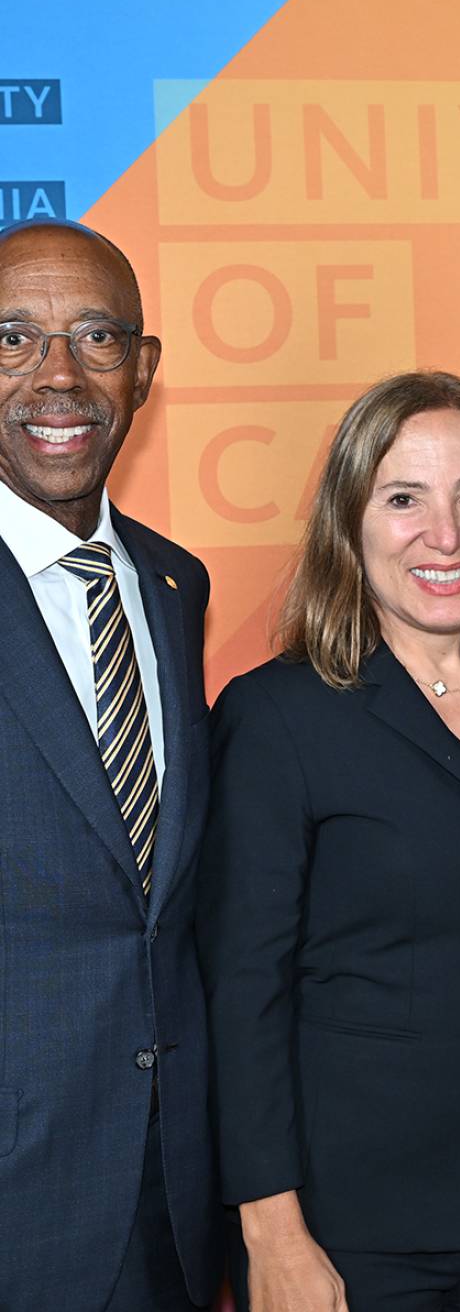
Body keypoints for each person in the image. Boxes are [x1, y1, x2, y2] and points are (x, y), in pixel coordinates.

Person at [198, 370, 460, 1312]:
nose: (445, 533)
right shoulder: (277, 717)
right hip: (346, 1226)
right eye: (403, 498)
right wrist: (270, 1229)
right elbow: (240, 987)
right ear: (351, 527)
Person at [0, 220, 221, 1310]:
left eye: (96, 337)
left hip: (172, 1201)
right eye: (13, 338)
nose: (57, 377)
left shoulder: (176, 589)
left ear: (144, 370)